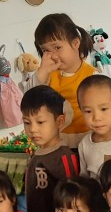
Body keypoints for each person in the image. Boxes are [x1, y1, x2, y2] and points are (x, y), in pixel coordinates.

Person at [20, 85, 80, 212]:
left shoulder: (64, 157)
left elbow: (73, 199)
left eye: (40, 122)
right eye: (27, 122)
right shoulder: (37, 154)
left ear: (59, 121)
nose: (33, 129)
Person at [33, 13, 94, 144]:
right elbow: (30, 100)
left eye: (57, 47)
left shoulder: (93, 76)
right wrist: (42, 72)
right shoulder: (46, 76)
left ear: (75, 43)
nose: (53, 56)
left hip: (89, 142)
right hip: (58, 144)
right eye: (45, 50)